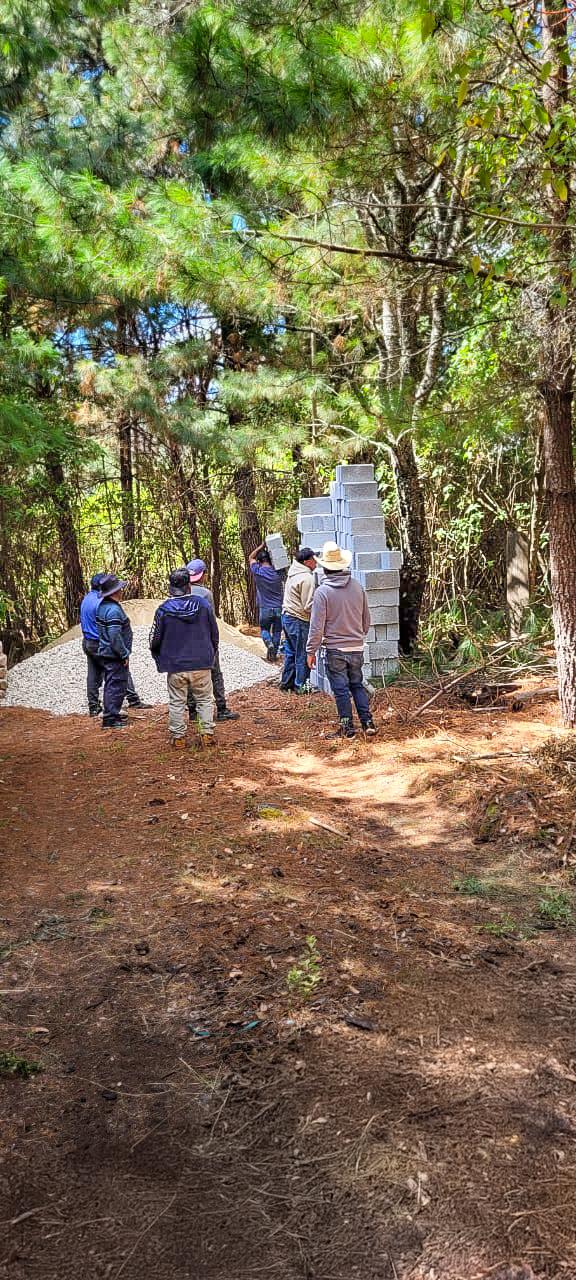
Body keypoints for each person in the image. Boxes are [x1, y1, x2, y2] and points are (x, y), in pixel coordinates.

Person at [306, 541, 377, 739]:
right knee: (357, 684)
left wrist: (310, 651)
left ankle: (347, 728)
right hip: (356, 648)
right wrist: (357, 636)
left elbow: (316, 627)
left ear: (325, 568)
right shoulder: (357, 587)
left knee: (341, 691)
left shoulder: (322, 592)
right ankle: (368, 722)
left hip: (336, 650)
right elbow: (366, 620)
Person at [149, 566, 219, 746]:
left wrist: (159, 657)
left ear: (171, 587)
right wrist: (210, 652)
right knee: (204, 699)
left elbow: (155, 638)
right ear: (188, 585)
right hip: (202, 663)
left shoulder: (163, 610)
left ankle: (178, 737)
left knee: (177, 701)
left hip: (176, 665)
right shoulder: (202, 604)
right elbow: (214, 633)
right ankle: (206, 734)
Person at [80, 572, 150, 717]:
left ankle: (93, 707)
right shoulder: (103, 604)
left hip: (87, 641)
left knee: (93, 674)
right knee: (118, 672)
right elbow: (113, 632)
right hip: (101, 642)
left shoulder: (87, 599)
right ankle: (130, 701)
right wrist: (124, 652)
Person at [185, 559, 239, 722]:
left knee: (189, 675)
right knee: (215, 673)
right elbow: (210, 620)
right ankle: (221, 709)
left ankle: (193, 712)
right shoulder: (205, 594)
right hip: (204, 640)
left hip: (186, 642)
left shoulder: (181, 592)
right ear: (204, 575)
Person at [95, 575, 134, 730]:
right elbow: (114, 636)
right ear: (115, 592)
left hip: (107, 652)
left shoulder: (103, 606)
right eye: (119, 589)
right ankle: (110, 718)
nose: (122, 591)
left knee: (111, 683)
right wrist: (124, 654)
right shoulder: (113, 611)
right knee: (116, 685)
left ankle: (112, 714)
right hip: (114, 654)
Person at [280, 546, 317, 693]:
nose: (316, 563)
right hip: (298, 620)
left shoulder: (293, 573)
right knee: (303, 653)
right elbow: (308, 606)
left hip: (287, 617)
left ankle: (286, 683)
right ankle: (302, 686)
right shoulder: (307, 578)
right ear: (307, 561)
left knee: (291, 652)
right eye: (314, 560)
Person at [248, 543, 284, 661]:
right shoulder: (278, 572)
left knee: (264, 630)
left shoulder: (258, 572)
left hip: (265, 608)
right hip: (279, 607)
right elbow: (282, 561)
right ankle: (273, 655)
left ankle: (269, 644)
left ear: (259, 561)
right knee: (277, 631)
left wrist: (261, 546)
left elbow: (251, 557)